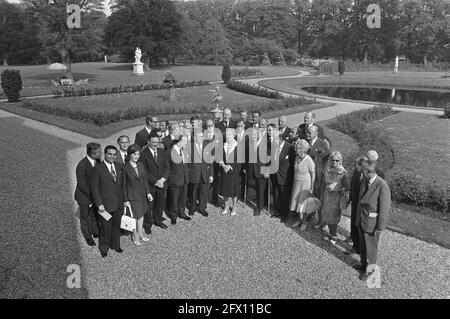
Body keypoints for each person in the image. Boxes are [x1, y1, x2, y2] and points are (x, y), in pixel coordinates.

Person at [355, 164, 391, 281]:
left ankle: (370, 272)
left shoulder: (382, 186)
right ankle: (363, 265)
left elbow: (384, 209)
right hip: (362, 219)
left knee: (371, 249)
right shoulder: (365, 181)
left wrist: (379, 227)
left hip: (372, 223)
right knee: (363, 245)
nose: (363, 173)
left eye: (365, 171)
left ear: (371, 172)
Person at [90, 145, 124, 258]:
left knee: (116, 226)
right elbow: (94, 189)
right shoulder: (97, 168)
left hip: (118, 204)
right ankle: (104, 248)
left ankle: (115, 245)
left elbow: (121, 185)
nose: (112, 156)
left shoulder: (119, 166)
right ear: (105, 154)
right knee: (105, 228)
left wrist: (124, 201)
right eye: (110, 154)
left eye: (114, 154)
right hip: (105, 206)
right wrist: (99, 204)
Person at [122, 144, 153, 246]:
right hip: (132, 197)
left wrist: (148, 192)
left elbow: (144, 180)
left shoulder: (140, 165)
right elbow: (124, 185)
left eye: (138, 154)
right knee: (134, 216)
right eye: (134, 154)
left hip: (142, 195)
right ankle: (134, 235)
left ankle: (140, 233)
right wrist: (126, 200)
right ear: (130, 155)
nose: (137, 156)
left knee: (141, 215)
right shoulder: (125, 167)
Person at [139, 132, 170, 231]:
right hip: (150, 185)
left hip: (162, 184)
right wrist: (156, 181)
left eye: (157, 142)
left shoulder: (162, 152)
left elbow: (167, 167)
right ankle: (148, 225)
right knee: (149, 205)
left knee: (160, 203)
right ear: (148, 142)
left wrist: (163, 179)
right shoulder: (143, 154)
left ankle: (158, 220)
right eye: (153, 142)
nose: (156, 144)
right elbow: (144, 171)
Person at [74, 142, 102, 246]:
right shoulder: (82, 165)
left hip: (94, 195)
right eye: (99, 152)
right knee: (85, 217)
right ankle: (87, 237)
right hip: (84, 197)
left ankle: (95, 231)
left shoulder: (98, 161)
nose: (101, 153)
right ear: (92, 153)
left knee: (94, 214)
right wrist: (93, 196)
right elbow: (82, 185)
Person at [320, 151, 350, 244]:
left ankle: (334, 235)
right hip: (327, 196)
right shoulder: (327, 169)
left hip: (336, 198)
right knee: (327, 215)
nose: (335, 162)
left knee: (334, 217)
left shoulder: (343, 172)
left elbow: (348, 187)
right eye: (333, 160)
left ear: (340, 161)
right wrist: (321, 195)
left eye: (337, 160)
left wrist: (337, 188)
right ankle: (330, 232)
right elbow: (323, 183)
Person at [290, 140, 315, 230]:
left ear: (303, 149)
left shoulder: (308, 159)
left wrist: (312, 186)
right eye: (296, 147)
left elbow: (313, 173)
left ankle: (304, 222)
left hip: (305, 184)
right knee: (297, 202)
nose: (296, 149)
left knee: (303, 203)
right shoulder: (296, 158)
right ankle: (298, 220)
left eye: (298, 148)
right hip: (297, 183)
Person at [188, 131, 213, 217]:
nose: (201, 138)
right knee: (193, 193)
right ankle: (192, 208)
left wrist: (211, 175)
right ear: (194, 137)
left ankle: (202, 208)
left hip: (205, 173)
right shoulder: (189, 146)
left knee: (204, 192)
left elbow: (211, 161)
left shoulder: (207, 145)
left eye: (202, 136)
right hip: (194, 173)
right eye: (199, 137)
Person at [167, 134, 191, 224]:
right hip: (175, 180)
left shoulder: (184, 150)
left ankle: (182, 212)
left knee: (183, 197)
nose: (186, 143)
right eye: (184, 141)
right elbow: (167, 167)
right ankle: (173, 215)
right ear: (178, 141)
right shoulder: (169, 152)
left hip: (184, 178)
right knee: (174, 199)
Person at [270, 132, 294, 220]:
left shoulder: (289, 147)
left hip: (285, 176)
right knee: (276, 195)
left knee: (284, 196)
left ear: (280, 139)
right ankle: (278, 211)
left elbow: (292, 162)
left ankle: (284, 214)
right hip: (275, 175)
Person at [218, 129, 242, 216]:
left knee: (233, 191)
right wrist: (223, 165)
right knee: (225, 191)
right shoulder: (223, 145)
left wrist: (230, 167)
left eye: (230, 134)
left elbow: (239, 161)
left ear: (234, 135)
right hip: (224, 171)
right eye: (227, 135)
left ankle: (234, 207)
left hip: (234, 172)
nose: (228, 136)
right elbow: (219, 157)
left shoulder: (238, 146)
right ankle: (226, 206)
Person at [247, 128, 270, 216]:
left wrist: (267, 171)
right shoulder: (250, 143)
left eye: (254, 135)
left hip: (261, 170)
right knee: (253, 186)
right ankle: (257, 200)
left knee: (260, 189)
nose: (252, 137)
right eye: (251, 135)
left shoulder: (266, 143)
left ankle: (259, 208)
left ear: (258, 135)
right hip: (252, 169)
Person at [347, 156, 365, 251]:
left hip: (361, 204)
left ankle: (358, 246)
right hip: (355, 202)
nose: (355, 167)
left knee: (358, 224)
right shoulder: (356, 172)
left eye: (356, 165)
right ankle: (353, 240)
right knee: (353, 220)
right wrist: (350, 198)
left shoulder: (366, 176)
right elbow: (352, 185)